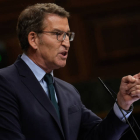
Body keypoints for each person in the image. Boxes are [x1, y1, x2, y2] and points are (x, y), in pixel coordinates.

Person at [0, 3, 140, 140]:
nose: (66, 42)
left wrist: (123, 104)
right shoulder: (5, 82)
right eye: (58, 34)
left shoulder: (68, 91)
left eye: (68, 35)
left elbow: (98, 135)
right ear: (33, 39)